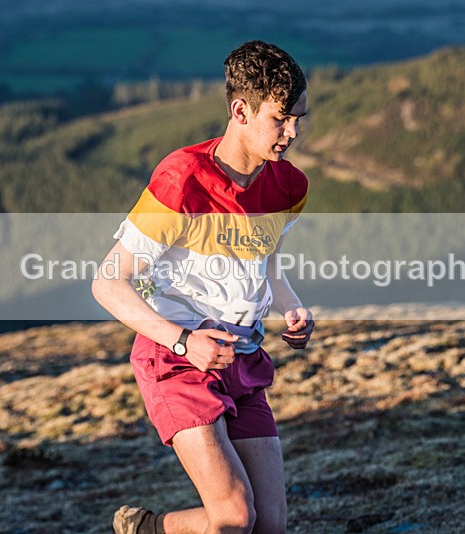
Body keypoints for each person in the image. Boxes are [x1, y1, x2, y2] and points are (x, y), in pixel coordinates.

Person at [92, 40, 314, 534]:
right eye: (281, 119)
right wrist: (182, 340)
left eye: (299, 118)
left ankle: (146, 528)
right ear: (241, 110)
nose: (293, 132)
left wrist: (291, 305)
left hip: (241, 357)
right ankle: (154, 530)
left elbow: (266, 258)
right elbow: (107, 283)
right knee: (235, 516)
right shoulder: (181, 179)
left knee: (270, 526)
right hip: (175, 358)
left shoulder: (289, 187)